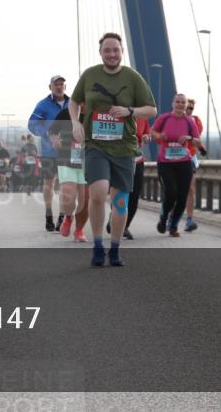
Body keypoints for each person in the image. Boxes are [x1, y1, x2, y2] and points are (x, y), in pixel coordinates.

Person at [70, 32, 156, 267]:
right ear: (100, 53)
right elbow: (74, 100)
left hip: (124, 148)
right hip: (96, 145)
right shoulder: (90, 75)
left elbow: (151, 109)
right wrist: (76, 122)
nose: (111, 54)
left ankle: (115, 247)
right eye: (107, 50)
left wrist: (130, 111)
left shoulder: (133, 77)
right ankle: (98, 244)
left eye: (115, 50)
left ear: (121, 52)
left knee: (120, 203)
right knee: (97, 193)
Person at [153, 94, 202, 237]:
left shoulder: (189, 121)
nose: (180, 104)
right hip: (165, 162)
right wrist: (159, 136)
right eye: (178, 102)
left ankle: (173, 226)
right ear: (173, 103)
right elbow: (152, 131)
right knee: (171, 193)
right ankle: (163, 218)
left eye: (183, 103)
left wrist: (189, 138)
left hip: (184, 162)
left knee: (182, 196)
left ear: (186, 105)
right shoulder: (164, 118)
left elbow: (198, 142)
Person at [27, 75, 69, 230]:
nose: (59, 86)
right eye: (56, 84)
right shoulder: (43, 105)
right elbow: (32, 124)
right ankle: (49, 214)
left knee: (66, 185)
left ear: (65, 86)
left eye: (61, 84)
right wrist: (48, 134)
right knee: (49, 183)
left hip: (69, 152)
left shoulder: (72, 103)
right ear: (50, 87)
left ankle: (62, 217)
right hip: (49, 151)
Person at [49, 107, 89, 242]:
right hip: (66, 158)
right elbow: (52, 129)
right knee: (68, 195)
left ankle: (79, 230)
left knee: (84, 201)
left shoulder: (97, 112)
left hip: (88, 160)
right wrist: (54, 140)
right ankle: (68, 217)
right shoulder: (67, 112)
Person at [182, 98, 207, 232]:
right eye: (187, 108)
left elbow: (197, 139)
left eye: (191, 108)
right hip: (174, 157)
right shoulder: (173, 119)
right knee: (175, 191)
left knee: (190, 189)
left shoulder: (196, 121)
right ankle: (169, 216)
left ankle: (190, 219)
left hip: (190, 157)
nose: (189, 110)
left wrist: (202, 148)